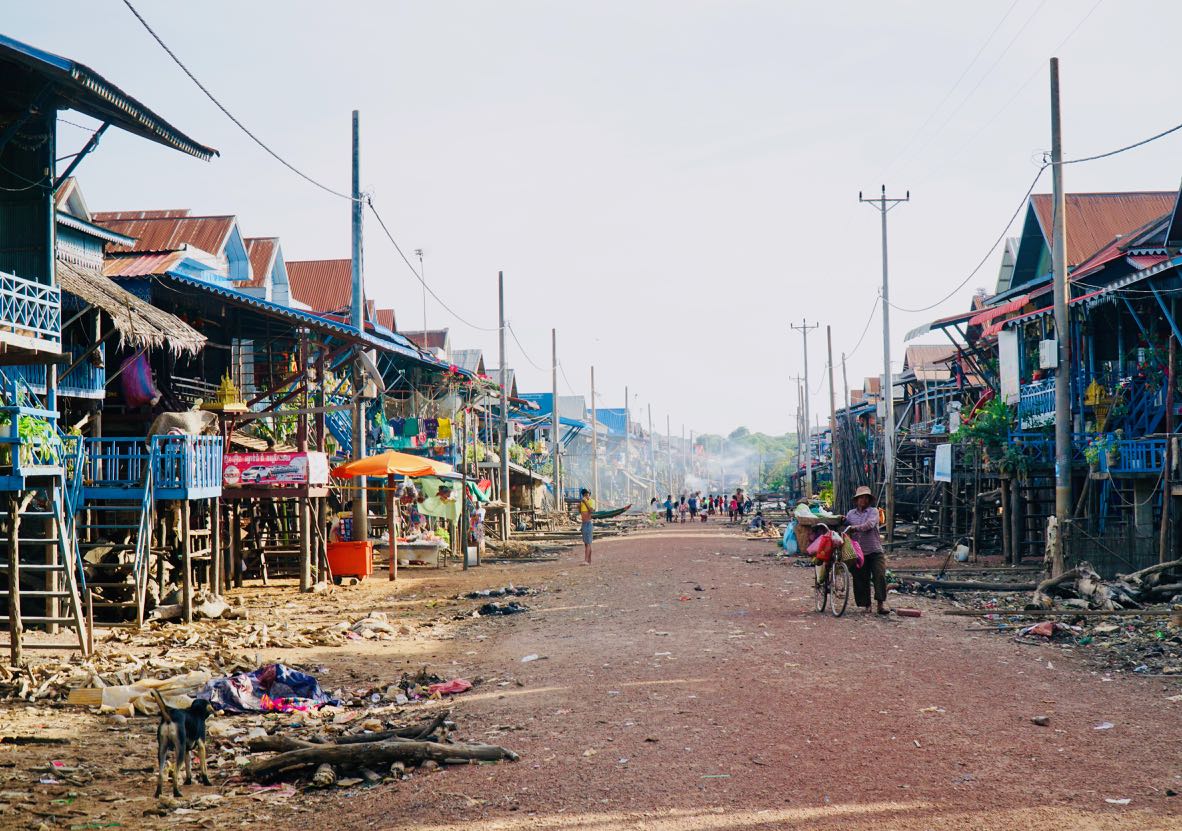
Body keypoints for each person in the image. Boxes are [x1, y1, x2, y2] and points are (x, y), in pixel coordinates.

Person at [846, 485, 888, 615]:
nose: (863, 500)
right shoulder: (850, 514)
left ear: (869, 500)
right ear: (857, 500)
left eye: (866, 498)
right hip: (859, 552)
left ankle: (880, 604)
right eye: (861, 498)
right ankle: (867, 605)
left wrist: (855, 528)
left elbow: (869, 525)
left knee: (879, 576)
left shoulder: (873, 511)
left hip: (875, 550)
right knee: (860, 578)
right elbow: (846, 527)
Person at [578, 488, 595, 565]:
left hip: (588, 523)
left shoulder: (591, 501)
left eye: (587, 494)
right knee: (586, 543)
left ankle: (585, 560)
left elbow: (591, 511)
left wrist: (585, 502)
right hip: (584, 523)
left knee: (588, 543)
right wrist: (579, 507)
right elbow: (581, 513)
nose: (586, 496)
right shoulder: (582, 503)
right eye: (584, 495)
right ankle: (589, 561)